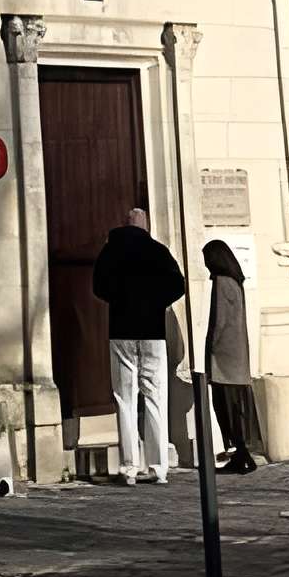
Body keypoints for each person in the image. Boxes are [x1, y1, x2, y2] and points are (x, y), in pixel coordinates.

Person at [89, 204, 185, 485]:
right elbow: (178, 285)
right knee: (156, 396)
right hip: (152, 330)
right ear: (145, 225)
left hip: (121, 329)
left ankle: (129, 467)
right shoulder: (157, 251)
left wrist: (119, 300)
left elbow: (98, 287)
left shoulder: (110, 251)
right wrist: (156, 302)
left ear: (125, 223)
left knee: (125, 398)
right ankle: (158, 468)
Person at [200, 240, 259, 473]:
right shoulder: (235, 281)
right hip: (236, 357)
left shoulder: (222, 283)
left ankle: (241, 456)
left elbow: (219, 320)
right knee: (234, 410)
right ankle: (242, 455)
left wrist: (210, 348)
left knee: (225, 408)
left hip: (224, 358)